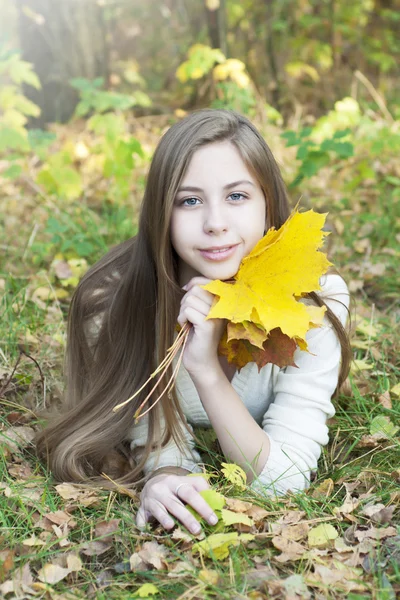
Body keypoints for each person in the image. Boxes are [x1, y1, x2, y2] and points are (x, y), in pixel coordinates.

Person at [36, 109, 351, 537]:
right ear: (161, 214)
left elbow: (283, 481)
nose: (215, 223)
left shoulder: (316, 304)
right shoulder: (112, 306)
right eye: (190, 200)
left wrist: (206, 371)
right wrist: (166, 472)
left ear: (267, 203)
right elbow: (151, 426)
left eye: (237, 196)